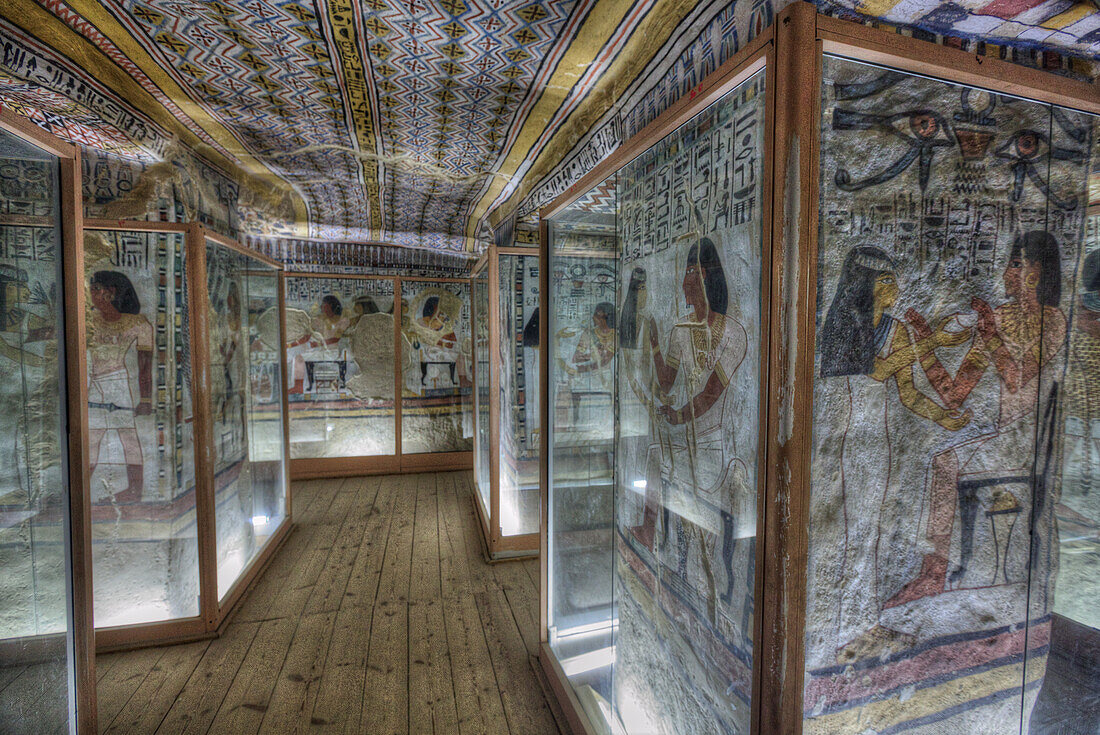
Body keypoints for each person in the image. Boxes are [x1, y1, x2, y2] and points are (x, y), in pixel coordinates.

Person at [887, 231, 1067, 607]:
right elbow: (954, 393)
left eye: (1015, 264)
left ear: (1037, 272)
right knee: (941, 457)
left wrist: (989, 335)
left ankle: (934, 574)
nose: (1006, 273)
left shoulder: (1053, 320)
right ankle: (932, 573)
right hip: (1003, 432)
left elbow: (1017, 377)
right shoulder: (998, 317)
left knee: (945, 460)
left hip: (1032, 436)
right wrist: (924, 344)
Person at [817, 246, 972, 661]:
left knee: (873, 535)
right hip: (843, 445)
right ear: (864, 287)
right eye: (886, 282)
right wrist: (931, 342)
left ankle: (864, 623)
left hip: (878, 447)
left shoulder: (896, 330)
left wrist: (945, 417)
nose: (896, 289)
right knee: (850, 536)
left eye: (894, 281)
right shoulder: (841, 328)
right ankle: (844, 630)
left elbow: (908, 392)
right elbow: (875, 370)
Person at [87, 270, 152, 503]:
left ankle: (135, 490)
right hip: (93, 383)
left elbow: (145, 366)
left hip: (117, 382)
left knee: (128, 437)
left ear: (111, 292)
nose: (91, 294)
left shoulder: (138, 323)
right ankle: (80, 489)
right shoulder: (89, 319)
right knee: (92, 439)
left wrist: (145, 400)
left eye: (95, 289)